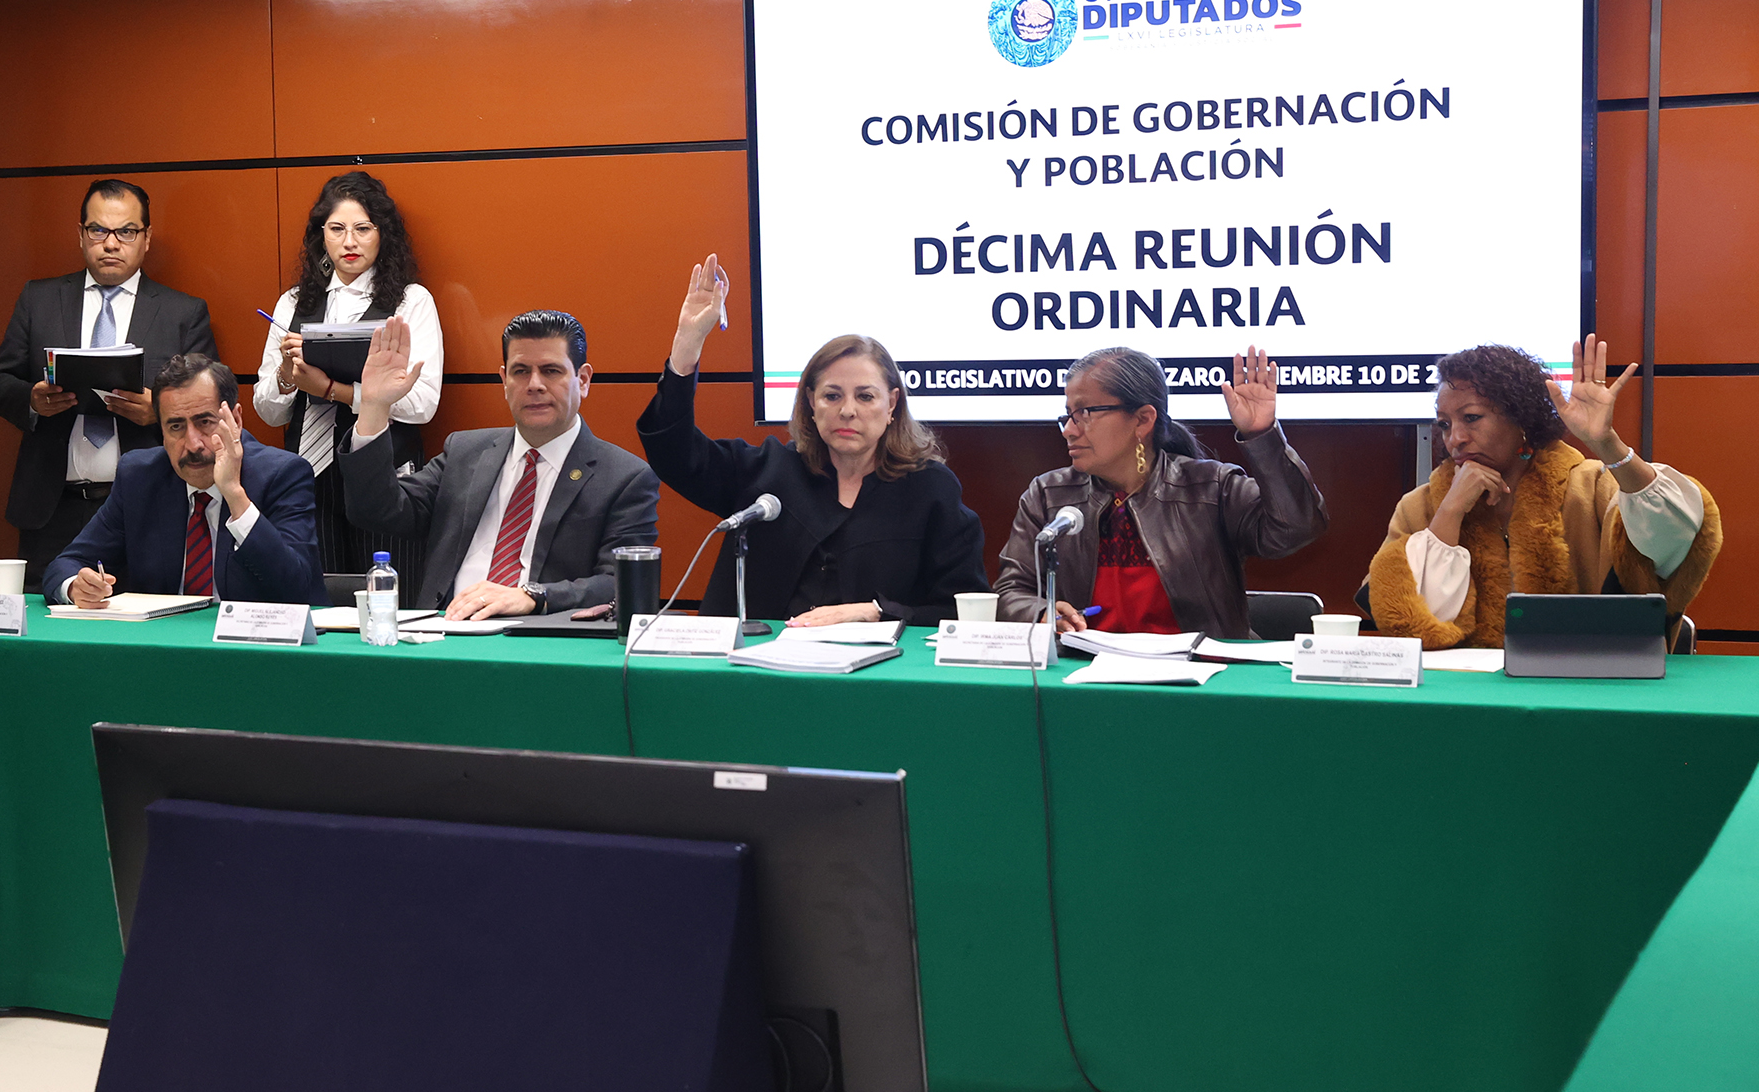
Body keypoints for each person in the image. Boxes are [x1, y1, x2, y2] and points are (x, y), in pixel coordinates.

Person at [636, 254, 986, 626]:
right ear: (811, 403)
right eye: (832, 396)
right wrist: (687, 345)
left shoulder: (930, 489)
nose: (847, 410)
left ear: (892, 405)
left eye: (865, 396)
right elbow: (673, 452)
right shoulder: (767, 472)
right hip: (758, 658)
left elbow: (960, 608)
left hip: (874, 662)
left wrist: (876, 611)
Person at [1366, 336, 1721, 646]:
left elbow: (1676, 537)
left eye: (1471, 418)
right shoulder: (1420, 507)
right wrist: (1449, 513)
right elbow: (1410, 624)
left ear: (1521, 418)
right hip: (1462, 693)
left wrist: (1606, 443)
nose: (1454, 438)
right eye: (1444, 424)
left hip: (1589, 687)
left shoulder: (1593, 487)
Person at [344, 309, 659, 619]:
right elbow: (378, 510)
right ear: (504, 381)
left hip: (542, 637)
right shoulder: (464, 452)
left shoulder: (624, 477)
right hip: (447, 630)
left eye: (551, 371)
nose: (534, 384)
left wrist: (533, 596)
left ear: (583, 380)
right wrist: (374, 406)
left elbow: (620, 581)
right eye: (520, 371)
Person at [995, 344, 1326, 639]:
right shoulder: (1049, 495)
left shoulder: (1211, 488)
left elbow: (1294, 529)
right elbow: (1012, 590)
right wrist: (1041, 612)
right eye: (1068, 415)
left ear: (1142, 420)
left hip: (1200, 675)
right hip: (1084, 672)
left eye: (1084, 413)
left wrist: (1262, 436)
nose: (1068, 430)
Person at [0, 179, 215, 587]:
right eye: (98, 230)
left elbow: (208, 404)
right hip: (52, 507)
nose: (111, 243)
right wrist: (33, 401)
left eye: (126, 231)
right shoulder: (39, 299)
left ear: (146, 238)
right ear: (80, 234)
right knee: (48, 614)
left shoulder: (183, 312)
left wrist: (157, 412)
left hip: (147, 506)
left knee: (144, 618)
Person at [252, 171, 442, 584]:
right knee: (319, 598)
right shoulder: (293, 303)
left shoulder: (410, 301)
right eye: (337, 229)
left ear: (382, 234)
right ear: (321, 235)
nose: (350, 241)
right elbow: (268, 411)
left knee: (388, 596)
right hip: (307, 477)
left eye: (363, 229)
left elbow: (423, 404)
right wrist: (287, 374)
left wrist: (332, 390)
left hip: (385, 475)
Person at [45, 353, 325, 609]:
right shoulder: (140, 477)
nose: (193, 444)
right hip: (166, 642)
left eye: (205, 422)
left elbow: (297, 589)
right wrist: (76, 587)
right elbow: (67, 565)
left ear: (236, 420)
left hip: (254, 642)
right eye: (176, 426)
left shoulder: (282, 475)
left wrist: (234, 493)